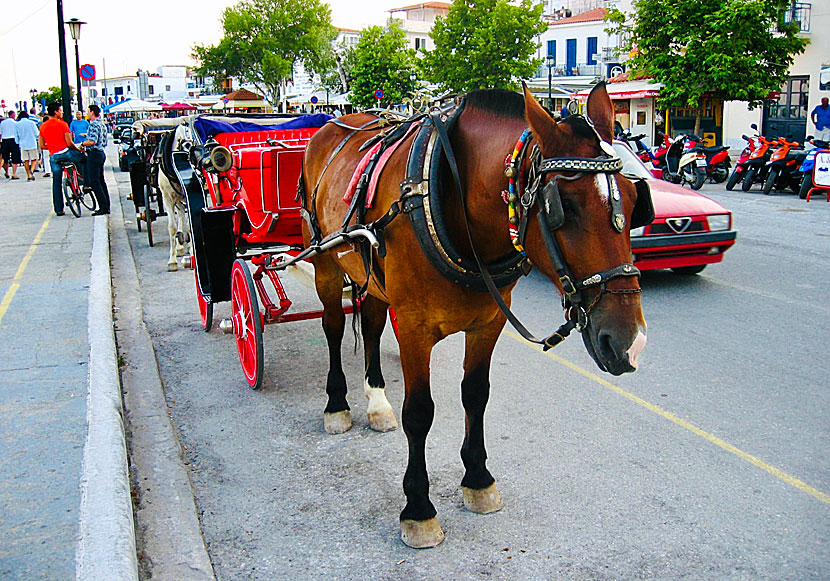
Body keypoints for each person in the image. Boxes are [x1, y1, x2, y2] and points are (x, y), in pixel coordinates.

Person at [39, 102, 86, 216]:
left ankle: (59, 209)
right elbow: (69, 143)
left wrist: (52, 147)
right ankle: (83, 180)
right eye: (60, 110)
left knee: (56, 182)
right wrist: (78, 149)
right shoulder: (63, 124)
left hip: (54, 156)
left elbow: (41, 145)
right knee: (83, 159)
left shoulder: (43, 126)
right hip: (66, 153)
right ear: (55, 112)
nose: (62, 112)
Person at [80, 104, 110, 215]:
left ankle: (102, 206)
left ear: (92, 112)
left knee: (94, 182)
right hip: (101, 153)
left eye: (88, 111)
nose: (87, 114)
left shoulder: (93, 124)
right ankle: (106, 205)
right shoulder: (102, 124)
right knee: (101, 181)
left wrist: (82, 144)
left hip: (94, 153)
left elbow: (92, 141)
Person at [14, 111, 40, 181]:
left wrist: (18, 142)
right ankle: (32, 170)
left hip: (23, 144)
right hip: (32, 143)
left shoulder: (17, 124)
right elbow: (37, 133)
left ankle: (28, 174)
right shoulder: (32, 123)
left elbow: (16, 135)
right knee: (34, 159)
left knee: (26, 160)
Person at [1, 110, 22, 179]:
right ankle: (14, 173)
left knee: (5, 157)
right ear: (12, 115)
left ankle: (6, 172)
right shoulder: (15, 123)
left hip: (4, 140)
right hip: (13, 140)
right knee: (14, 158)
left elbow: (0, 133)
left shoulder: (2, 123)